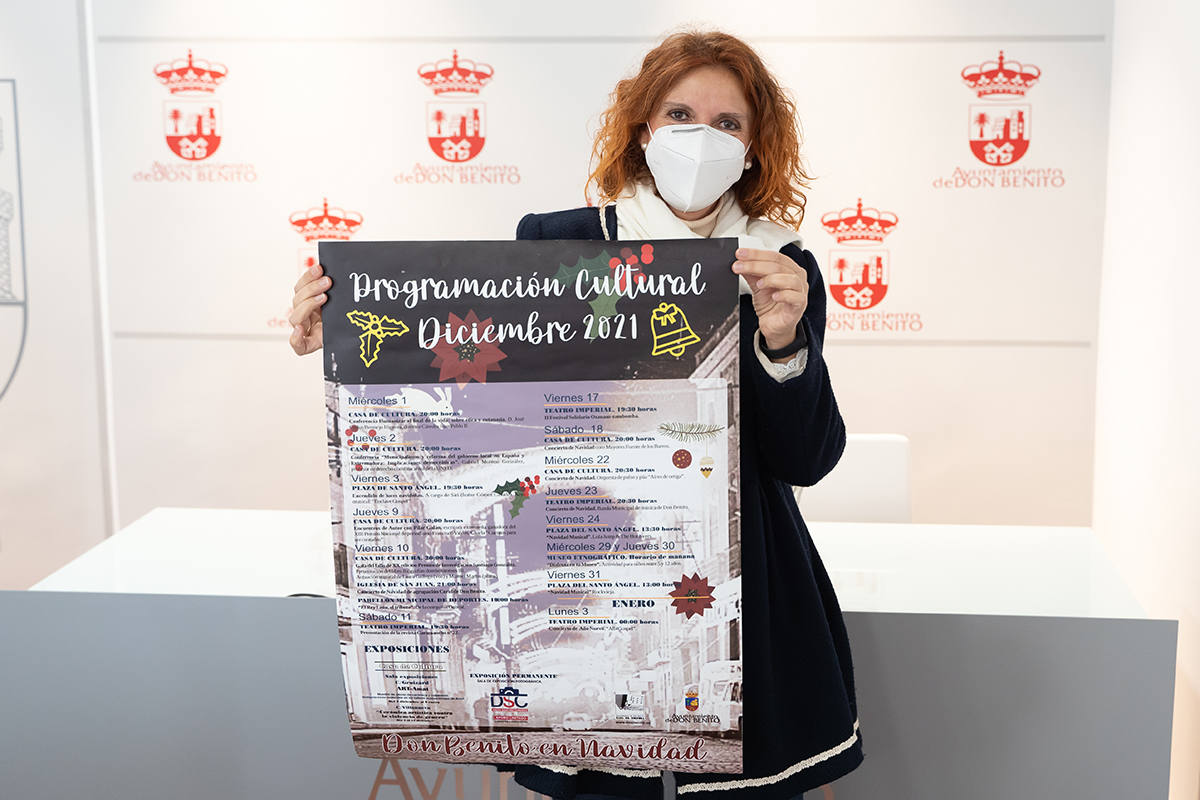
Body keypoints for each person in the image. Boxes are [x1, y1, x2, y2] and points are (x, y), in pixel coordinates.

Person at [289, 29, 863, 800]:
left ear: (754, 147)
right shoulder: (558, 241)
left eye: (728, 123)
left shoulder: (781, 265)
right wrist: (349, 332)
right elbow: (486, 390)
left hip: (742, 576)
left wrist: (785, 343)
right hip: (581, 561)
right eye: (680, 114)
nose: (701, 138)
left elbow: (807, 460)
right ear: (644, 128)